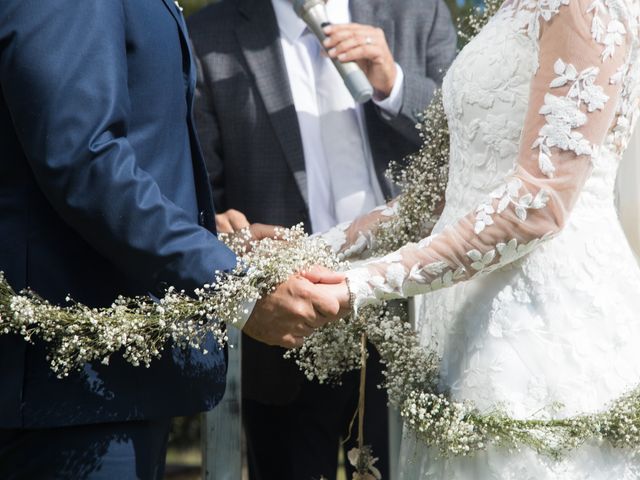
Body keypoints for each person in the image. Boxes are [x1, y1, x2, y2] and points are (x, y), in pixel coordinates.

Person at [0, 1, 342, 478]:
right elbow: (83, 159)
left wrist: (216, 238)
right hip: (72, 388)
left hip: (110, 383)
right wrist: (232, 284)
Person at [310, 0, 640, 477]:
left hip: (540, 326)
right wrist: (309, 251)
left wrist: (364, 282)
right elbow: (447, 198)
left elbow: (540, 200)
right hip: (463, 324)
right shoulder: (511, 8)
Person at [188, 0, 456, 478]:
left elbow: (466, 143)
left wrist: (392, 85)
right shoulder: (208, 33)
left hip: (408, 318)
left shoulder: (418, 11)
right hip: (286, 328)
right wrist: (219, 224)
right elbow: (201, 191)